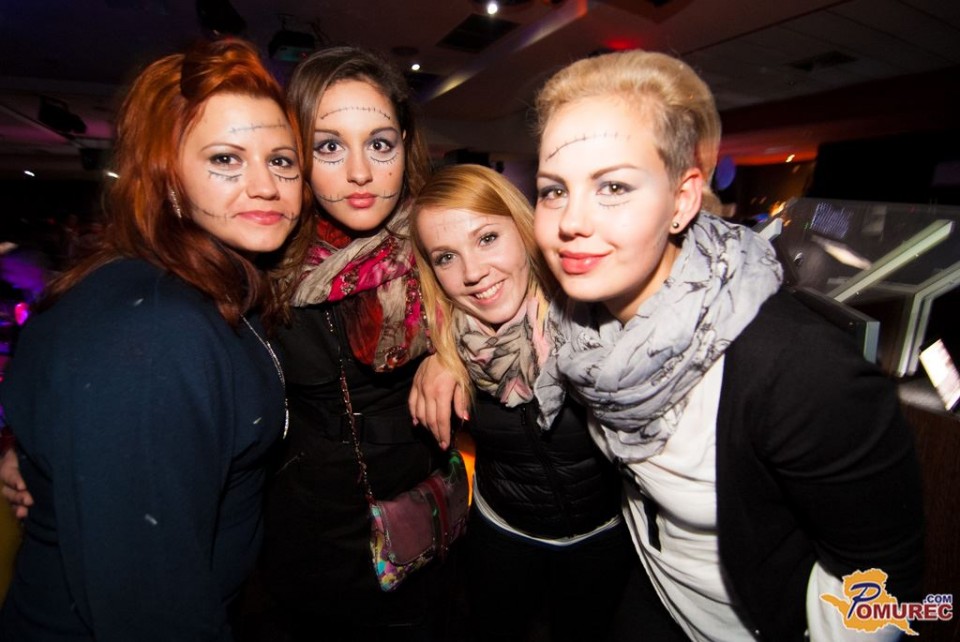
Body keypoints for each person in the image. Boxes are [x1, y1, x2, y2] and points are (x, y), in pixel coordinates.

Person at [530, 49, 924, 641]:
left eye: (613, 186)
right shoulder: (582, 326)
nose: (571, 222)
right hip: (654, 592)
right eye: (553, 191)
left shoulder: (798, 369)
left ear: (682, 200)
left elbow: (884, 581)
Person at [0, 38, 311, 641]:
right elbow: (147, 609)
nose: (266, 185)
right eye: (226, 159)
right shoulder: (157, 330)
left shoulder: (205, 286)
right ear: (167, 178)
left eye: (281, 160)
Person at [251, 46, 458, 642]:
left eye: (380, 144)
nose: (360, 172)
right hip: (310, 530)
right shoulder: (261, 262)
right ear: (297, 154)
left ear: (404, 147)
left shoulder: (445, 243)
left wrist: (455, 356)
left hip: (421, 521)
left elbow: (528, 320)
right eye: (329, 147)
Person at [410, 163, 632, 641]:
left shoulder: (596, 320)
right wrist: (439, 357)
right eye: (446, 257)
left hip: (605, 534)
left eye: (487, 238)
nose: (473, 273)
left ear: (525, 229)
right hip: (502, 537)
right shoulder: (442, 347)